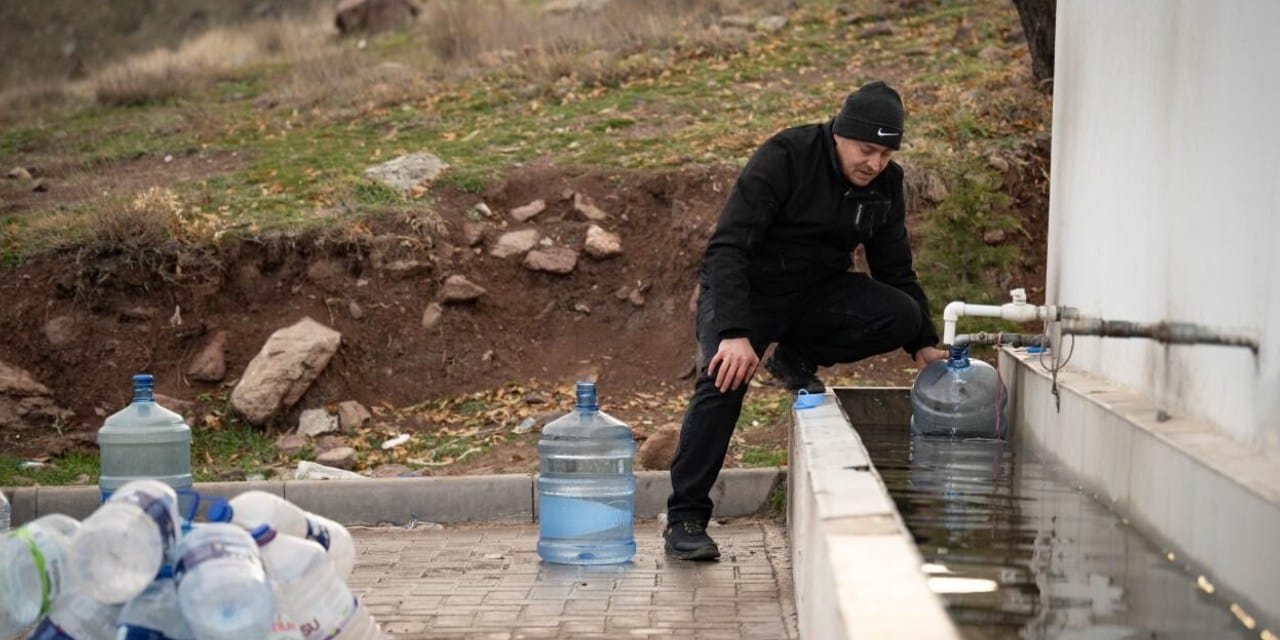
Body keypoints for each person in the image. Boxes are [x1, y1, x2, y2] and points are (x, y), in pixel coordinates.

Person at [663, 80, 948, 561]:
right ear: (839, 133)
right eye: (865, 150)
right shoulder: (785, 156)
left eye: (885, 154)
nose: (874, 164)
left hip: (817, 292)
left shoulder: (885, 185)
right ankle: (685, 519)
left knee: (901, 314)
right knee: (724, 379)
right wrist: (734, 333)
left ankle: (795, 357)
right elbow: (728, 247)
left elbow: (895, 268)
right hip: (748, 291)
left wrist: (924, 342)